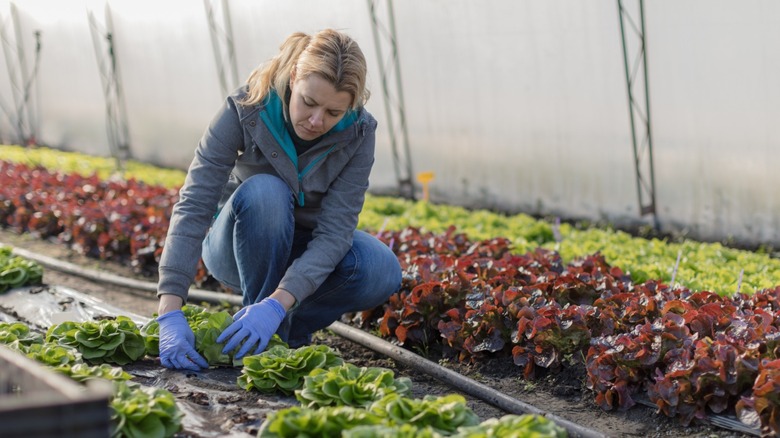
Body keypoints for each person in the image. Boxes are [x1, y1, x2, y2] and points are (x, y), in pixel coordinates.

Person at [154, 29, 402, 371]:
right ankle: (263, 336)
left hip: (303, 250)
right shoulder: (246, 108)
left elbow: (334, 232)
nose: (317, 121)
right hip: (238, 242)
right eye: (309, 102)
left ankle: (282, 330)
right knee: (266, 191)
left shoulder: (359, 132)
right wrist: (169, 310)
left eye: (333, 113)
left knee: (379, 267)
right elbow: (195, 203)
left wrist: (277, 304)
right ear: (294, 76)